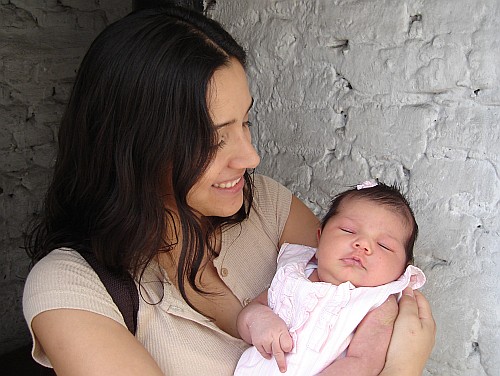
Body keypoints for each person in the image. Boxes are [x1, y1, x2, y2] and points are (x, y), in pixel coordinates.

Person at [22, 5, 435, 376]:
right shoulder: (71, 288)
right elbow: (397, 351)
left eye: (246, 122)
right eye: (214, 138)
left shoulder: (267, 206)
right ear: (134, 145)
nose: (251, 157)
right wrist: (402, 368)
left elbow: (370, 305)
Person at [235, 181, 426, 375]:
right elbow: (249, 314)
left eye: (384, 245)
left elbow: (364, 363)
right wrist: (259, 320)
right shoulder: (293, 275)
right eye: (349, 231)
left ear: (403, 269)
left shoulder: (378, 304)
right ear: (320, 237)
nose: (362, 244)